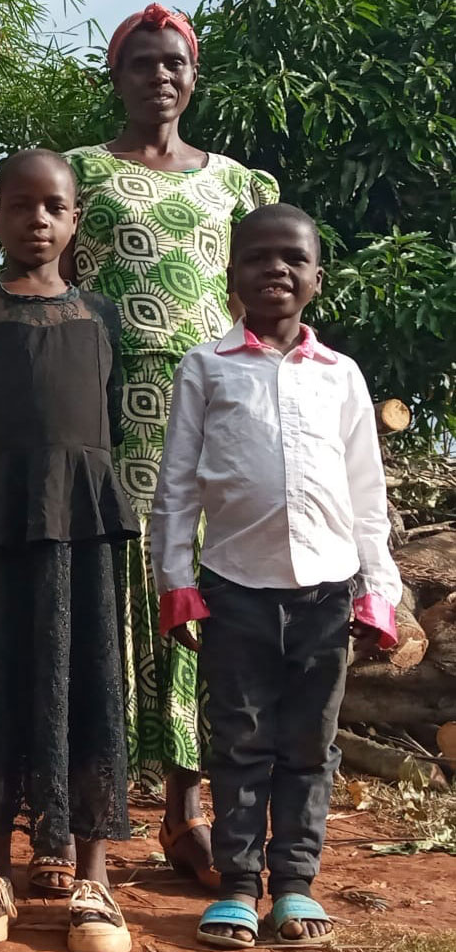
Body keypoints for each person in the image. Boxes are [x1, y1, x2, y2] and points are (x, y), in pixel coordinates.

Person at [62, 3, 280, 893]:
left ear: (194, 77)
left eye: (175, 64)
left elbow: (260, 314)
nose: (160, 76)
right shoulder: (78, 174)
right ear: (116, 77)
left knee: (190, 614)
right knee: (100, 612)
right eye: (142, 62)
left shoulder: (239, 185)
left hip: (205, 423)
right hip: (100, 417)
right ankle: (81, 830)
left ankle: (184, 818)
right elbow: (53, 289)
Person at [151, 205, 401, 948]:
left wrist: (377, 591)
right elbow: (177, 489)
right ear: (232, 277)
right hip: (234, 590)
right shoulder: (206, 366)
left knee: (309, 745)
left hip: (327, 593)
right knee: (237, 740)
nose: (275, 269)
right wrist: (176, 581)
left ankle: (293, 885)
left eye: (293, 258)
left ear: (316, 279)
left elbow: (367, 494)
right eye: (258, 258)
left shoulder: (341, 376)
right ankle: (235, 885)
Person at [0, 150, 138, 952]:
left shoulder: (100, 315)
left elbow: (106, 422)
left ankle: (94, 880)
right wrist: (11, 491)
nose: (36, 220)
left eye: (53, 207)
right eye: (20, 206)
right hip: (1, 523)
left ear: (75, 220)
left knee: (88, 682)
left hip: (83, 526)